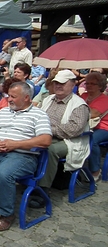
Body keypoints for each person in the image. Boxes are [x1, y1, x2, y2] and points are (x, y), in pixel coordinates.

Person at [0, 82, 52, 231]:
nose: (9, 99)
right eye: (8, 96)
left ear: (26, 97)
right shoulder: (4, 111)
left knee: (3, 174)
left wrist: (15, 144)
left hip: (22, 156)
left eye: (13, 96)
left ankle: (6, 214)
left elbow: (46, 140)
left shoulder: (39, 114)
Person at [36, 70, 90, 206]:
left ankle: (42, 190)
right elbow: (37, 118)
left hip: (70, 141)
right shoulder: (48, 99)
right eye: (56, 83)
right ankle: (30, 178)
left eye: (62, 83)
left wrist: (48, 130)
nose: (58, 86)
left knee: (50, 150)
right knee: (28, 144)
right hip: (46, 135)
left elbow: (73, 130)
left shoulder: (79, 105)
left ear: (72, 85)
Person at [81, 72, 108, 181]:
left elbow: (94, 114)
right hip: (86, 125)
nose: (88, 86)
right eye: (87, 83)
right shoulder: (84, 96)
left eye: (92, 83)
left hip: (103, 127)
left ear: (100, 86)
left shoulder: (104, 99)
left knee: (92, 139)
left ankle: (95, 170)